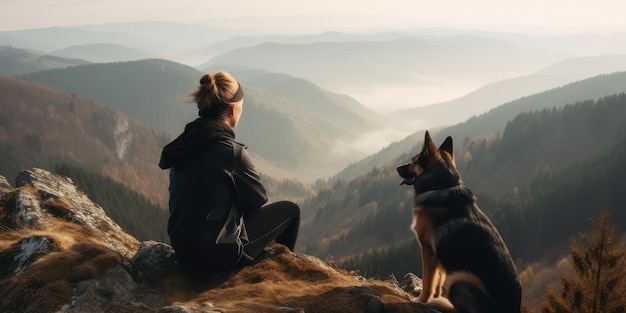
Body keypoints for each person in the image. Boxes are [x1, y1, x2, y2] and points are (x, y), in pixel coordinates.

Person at [159, 71, 300, 277]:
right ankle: (285, 274)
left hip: (185, 255)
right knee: (291, 211)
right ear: (233, 109)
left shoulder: (183, 145)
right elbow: (256, 200)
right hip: (219, 257)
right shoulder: (232, 153)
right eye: (241, 107)